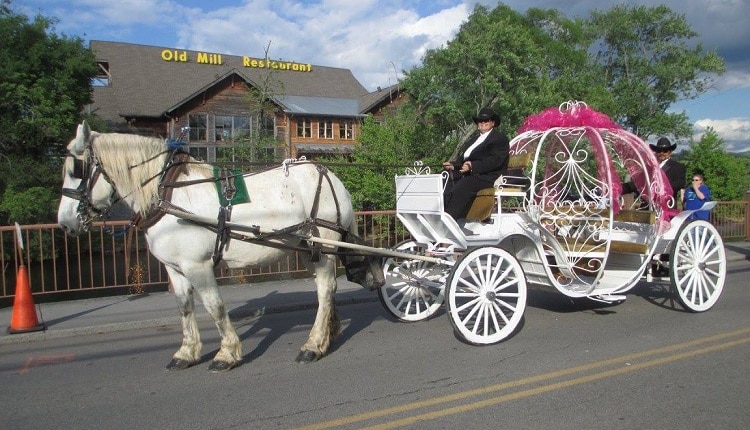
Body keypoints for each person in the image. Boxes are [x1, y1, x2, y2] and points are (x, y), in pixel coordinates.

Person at [442, 107, 510, 220]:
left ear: (492, 123)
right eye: (480, 121)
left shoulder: (499, 139)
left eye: (486, 120)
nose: (483, 123)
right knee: (443, 179)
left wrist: (473, 166)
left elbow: (495, 160)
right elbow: (463, 160)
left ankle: (449, 219)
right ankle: (438, 214)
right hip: (470, 174)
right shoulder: (473, 140)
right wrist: (453, 165)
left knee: (462, 186)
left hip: (487, 176)